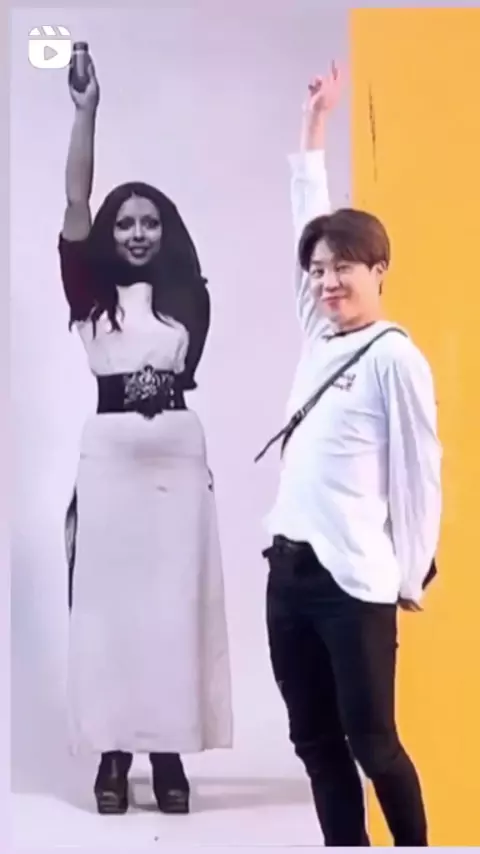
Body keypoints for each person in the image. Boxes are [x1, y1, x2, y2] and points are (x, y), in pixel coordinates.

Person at [260, 63, 442, 846]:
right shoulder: (318, 333)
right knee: (314, 743)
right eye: (319, 270)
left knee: (374, 745)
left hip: (354, 581)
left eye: (344, 267)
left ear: (378, 271)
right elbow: (308, 211)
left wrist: (410, 571)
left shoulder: (395, 356)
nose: (329, 281)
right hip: (289, 573)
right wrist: (315, 125)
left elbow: (419, 474)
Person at [59, 52, 233, 815]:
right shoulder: (89, 292)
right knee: (109, 611)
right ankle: (113, 753)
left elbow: (184, 374)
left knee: (172, 608)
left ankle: (168, 753)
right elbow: (75, 197)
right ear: (111, 232)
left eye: (149, 222)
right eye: (125, 222)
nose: (136, 232)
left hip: (177, 465)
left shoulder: (188, 296)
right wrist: (86, 113)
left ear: (167, 231)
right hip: (110, 466)